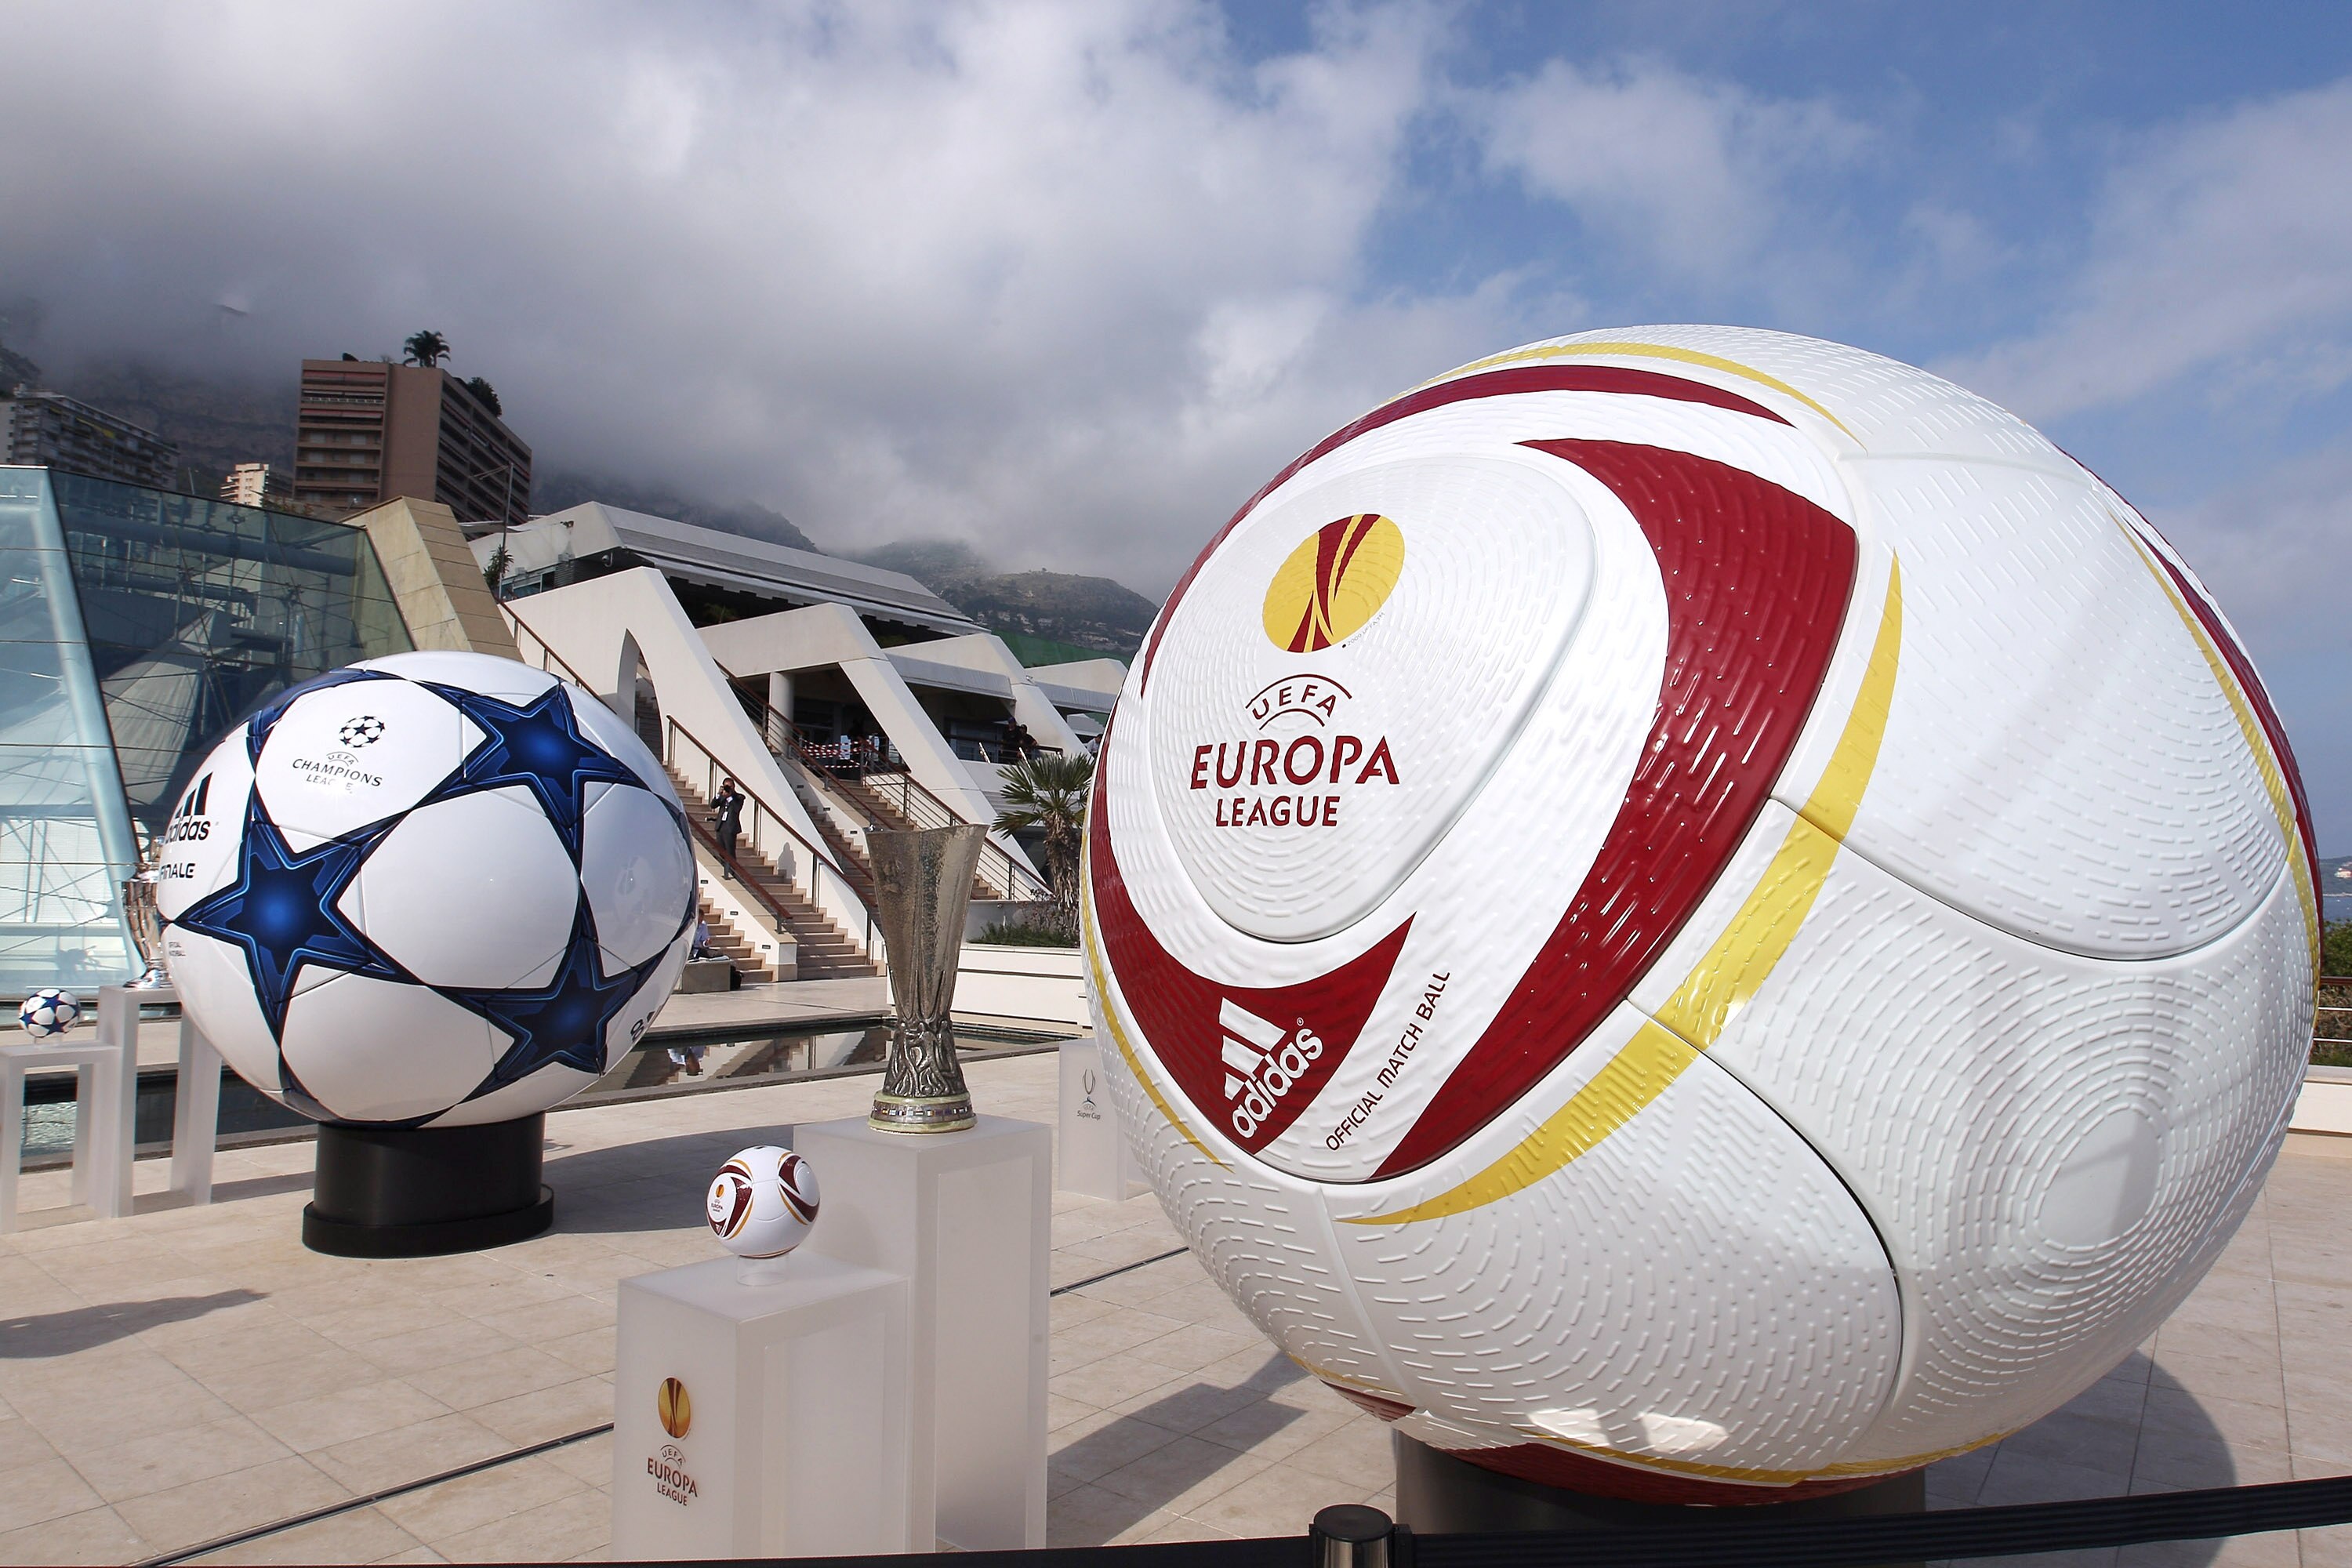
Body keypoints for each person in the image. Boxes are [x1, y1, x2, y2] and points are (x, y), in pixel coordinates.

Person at [713, 779, 745, 877]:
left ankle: (732, 871)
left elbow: (737, 809)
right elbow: (713, 805)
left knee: (730, 851)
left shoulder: (739, 797)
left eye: (729, 786)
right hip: (721, 826)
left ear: (734, 787)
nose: (728, 788)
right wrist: (719, 795)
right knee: (720, 851)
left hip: (730, 828)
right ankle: (725, 869)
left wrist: (730, 797)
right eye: (726, 786)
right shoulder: (722, 797)